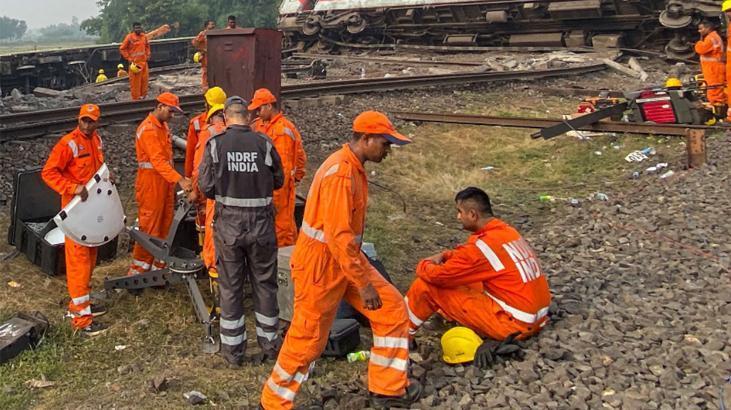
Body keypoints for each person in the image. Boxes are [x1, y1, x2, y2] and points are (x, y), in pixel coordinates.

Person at [261, 111, 421, 409]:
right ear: (365, 139)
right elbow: (338, 237)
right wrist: (364, 284)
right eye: (385, 144)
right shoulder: (340, 174)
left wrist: (360, 276)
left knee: (393, 310)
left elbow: (344, 242)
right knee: (308, 340)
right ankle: (273, 402)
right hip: (321, 267)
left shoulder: (352, 167)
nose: (388, 151)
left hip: (346, 260)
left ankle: (387, 388)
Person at [198, 96, 284, 367]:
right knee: (265, 285)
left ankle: (233, 353)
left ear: (225, 116)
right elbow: (279, 180)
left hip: (229, 228)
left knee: (231, 288)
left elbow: (206, 186)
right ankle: (270, 346)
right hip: (261, 226)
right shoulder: (264, 143)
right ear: (247, 117)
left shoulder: (215, 145)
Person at [404, 187, 552, 344]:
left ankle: (400, 334)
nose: (458, 216)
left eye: (460, 212)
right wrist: (446, 255)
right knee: (464, 276)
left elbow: (437, 276)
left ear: (473, 215)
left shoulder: (481, 248)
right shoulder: (507, 232)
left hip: (512, 325)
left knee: (427, 286)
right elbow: (472, 260)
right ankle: (447, 314)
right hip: (537, 317)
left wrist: (424, 264)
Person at [41, 104, 110, 336]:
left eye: (91, 121)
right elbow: (49, 173)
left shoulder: (96, 141)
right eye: (84, 120)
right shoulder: (68, 143)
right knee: (79, 262)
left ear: (97, 122)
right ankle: (81, 319)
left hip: (91, 210)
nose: (87, 124)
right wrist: (72, 187)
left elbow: (97, 169)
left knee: (89, 257)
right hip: (75, 211)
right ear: (78, 120)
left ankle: (83, 305)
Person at [128, 92, 193, 276]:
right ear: (160, 107)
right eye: (171, 111)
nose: (172, 115)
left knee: (164, 225)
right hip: (151, 184)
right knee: (149, 227)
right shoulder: (149, 129)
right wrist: (179, 180)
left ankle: (158, 267)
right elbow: (158, 161)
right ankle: (138, 272)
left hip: (163, 183)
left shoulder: (161, 127)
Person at [250, 88, 307, 247]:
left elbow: (283, 168)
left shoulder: (282, 130)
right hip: (267, 187)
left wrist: (290, 181)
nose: (257, 113)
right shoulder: (259, 125)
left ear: (269, 106)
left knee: (282, 226)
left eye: (259, 109)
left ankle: (283, 257)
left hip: (277, 190)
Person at [188, 102, 226, 305]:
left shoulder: (207, 133)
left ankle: (219, 305)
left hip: (213, 198)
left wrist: (197, 194)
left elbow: (199, 169)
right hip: (232, 198)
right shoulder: (235, 131)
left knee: (212, 246)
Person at [185, 86, 227, 178]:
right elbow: (190, 153)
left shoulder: (197, 123)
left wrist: (188, 177)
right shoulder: (230, 120)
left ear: (208, 104)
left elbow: (191, 153)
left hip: (205, 174)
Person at [694, 20, 726, 105]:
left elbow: (701, 49)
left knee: (714, 89)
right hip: (713, 68)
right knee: (714, 88)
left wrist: (699, 42)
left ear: (708, 28)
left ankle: (718, 108)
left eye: (701, 29)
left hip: (714, 69)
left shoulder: (711, 38)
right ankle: (716, 105)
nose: (699, 31)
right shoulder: (713, 37)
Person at [119, 22, 150, 100]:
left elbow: (147, 46)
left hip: (144, 63)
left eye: (139, 27)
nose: (138, 29)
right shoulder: (129, 37)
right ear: (133, 29)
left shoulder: (144, 37)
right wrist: (128, 58)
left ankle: (143, 97)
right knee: (135, 83)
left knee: (144, 81)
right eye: (136, 28)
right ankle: (136, 99)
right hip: (135, 65)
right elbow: (122, 48)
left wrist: (148, 55)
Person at [192, 20, 215, 90]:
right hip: (206, 56)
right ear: (206, 26)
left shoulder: (214, 33)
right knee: (205, 71)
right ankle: (205, 87)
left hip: (213, 55)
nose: (213, 26)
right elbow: (195, 42)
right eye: (211, 24)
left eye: (214, 24)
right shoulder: (203, 34)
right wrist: (202, 49)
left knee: (214, 71)